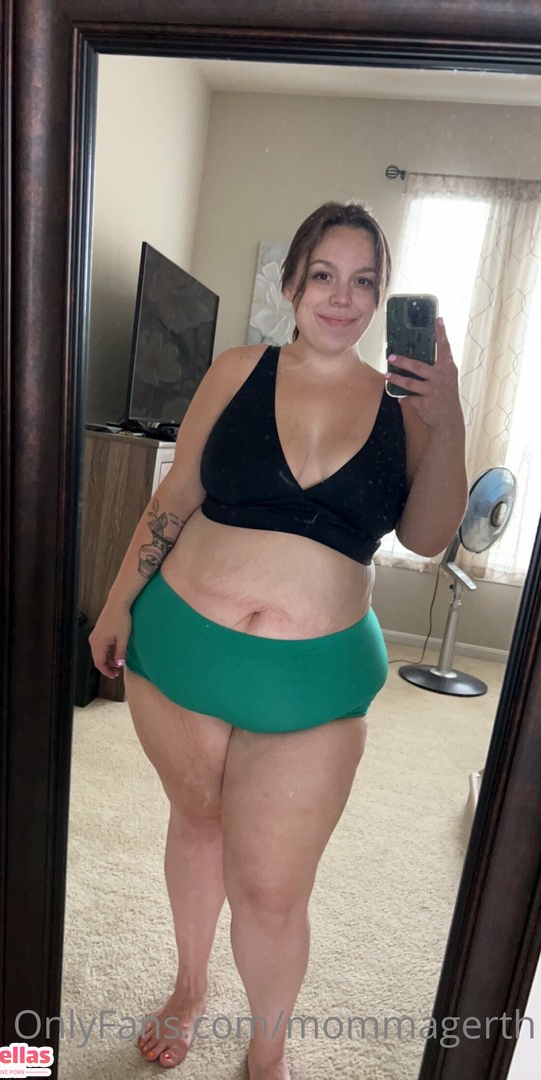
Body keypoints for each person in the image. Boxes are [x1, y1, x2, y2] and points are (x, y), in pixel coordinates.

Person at [88, 201, 468, 1079]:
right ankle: (189, 988)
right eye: (323, 274)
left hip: (313, 682)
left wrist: (449, 418)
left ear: (381, 297)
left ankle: (268, 1053)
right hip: (181, 649)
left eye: (363, 281)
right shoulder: (237, 370)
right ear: (292, 281)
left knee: (270, 889)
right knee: (198, 822)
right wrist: (114, 605)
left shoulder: (407, 406)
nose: (341, 296)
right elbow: (174, 496)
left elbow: (428, 536)